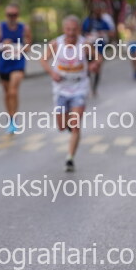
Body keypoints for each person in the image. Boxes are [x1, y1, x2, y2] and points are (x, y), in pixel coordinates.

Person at [39, 15, 101, 172]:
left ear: (78, 30)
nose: (71, 33)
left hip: (79, 87)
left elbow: (98, 57)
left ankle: (70, 158)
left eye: (74, 30)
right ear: (63, 29)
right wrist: (52, 73)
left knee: (75, 124)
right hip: (61, 88)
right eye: (68, 29)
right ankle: (69, 127)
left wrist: (94, 64)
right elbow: (43, 59)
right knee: (61, 126)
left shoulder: (84, 44)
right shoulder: (56, 43)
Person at [0, 4, 32, 134]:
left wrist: (19, 48)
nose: (12, 17)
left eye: (14, 15)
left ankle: (14, 120)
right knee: (7, 94)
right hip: (4, 65)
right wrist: (2, 45)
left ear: (18, 15)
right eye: (9, 15)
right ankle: (11, 118)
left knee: (13, 91)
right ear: (6, 15)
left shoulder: (24, 28)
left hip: (18, 64)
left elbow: (29, 46)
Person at [82, 8, 110, 97]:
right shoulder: (88, 21)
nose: (98, 13)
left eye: (99, 12)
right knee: (88, 69)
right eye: (96, 12)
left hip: (100, 49)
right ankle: (89, 87)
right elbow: (83, 32)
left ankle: (94, 88)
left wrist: (103, 33)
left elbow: (110, 32)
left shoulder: (103, 22)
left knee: (98, 69)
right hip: (89, 49)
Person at [121, 7, 136, 80]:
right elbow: (125, 26)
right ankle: (135, 70)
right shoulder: (130, 18)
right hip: (132, 39)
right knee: (133, 58)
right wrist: (131, 27)